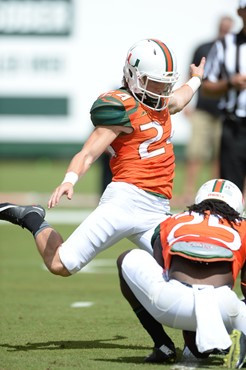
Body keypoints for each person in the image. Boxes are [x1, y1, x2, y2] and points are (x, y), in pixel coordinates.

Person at [0, 39, 205, 273]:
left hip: (157, 208)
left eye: (164, 84)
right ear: (133, 75)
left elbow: (182, 97)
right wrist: (70, 179)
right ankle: (31, 217)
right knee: (60, 264)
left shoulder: (162, 103)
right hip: (125, 202)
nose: (160, 90)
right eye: (154, 82)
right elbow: (88, 153)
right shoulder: (122, 107)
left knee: (185, 267)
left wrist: (197, 78)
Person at [117, 178, 246, 368]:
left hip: (172, 306)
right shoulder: (242, 227)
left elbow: (162, 273)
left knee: (126, 258)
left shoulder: (172, 221)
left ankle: (162, 344)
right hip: (225, 308)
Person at [178, 16, 234, 206]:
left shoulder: (235, 50)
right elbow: (191, 75)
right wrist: (186, 101)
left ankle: (213, 193)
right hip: (202, 109)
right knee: (195, 153)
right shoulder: (204, 48)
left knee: (220, 156)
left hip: (225, 112)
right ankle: (188, 191)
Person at [202, 0, 246, 195]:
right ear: (240, 12)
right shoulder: (225, 44)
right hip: (234, 125)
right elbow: (206, 86)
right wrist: (229, 83)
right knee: (231, 191)